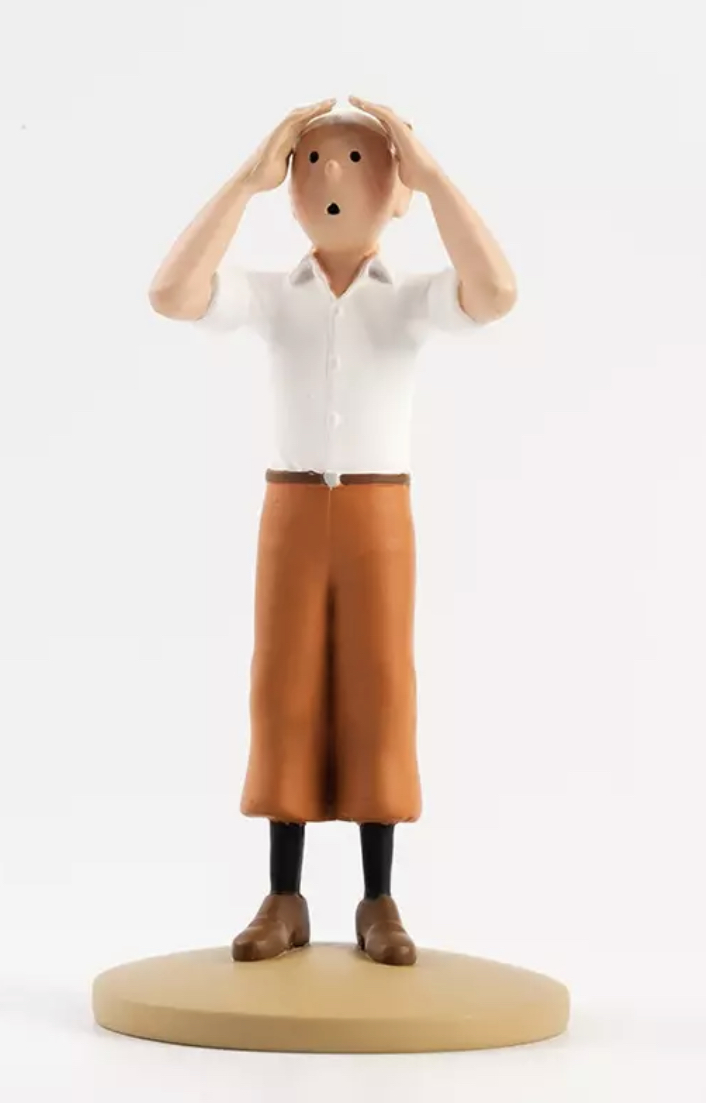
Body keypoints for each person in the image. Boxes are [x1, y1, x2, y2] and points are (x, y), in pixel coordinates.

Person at [148, 95, 517, 966]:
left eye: (358, 161)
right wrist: (244, 181)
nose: (332, 177)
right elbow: (171, 294)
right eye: (311, 161)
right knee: (283, 688)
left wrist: (433, 178)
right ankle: (283, 893)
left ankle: (378, 897)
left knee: (379, 688)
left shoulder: (412, 301)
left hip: (377, 513)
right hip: (290, 509)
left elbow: (496, 293)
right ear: (289, 191)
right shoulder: (273, 297)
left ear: (396, 191)